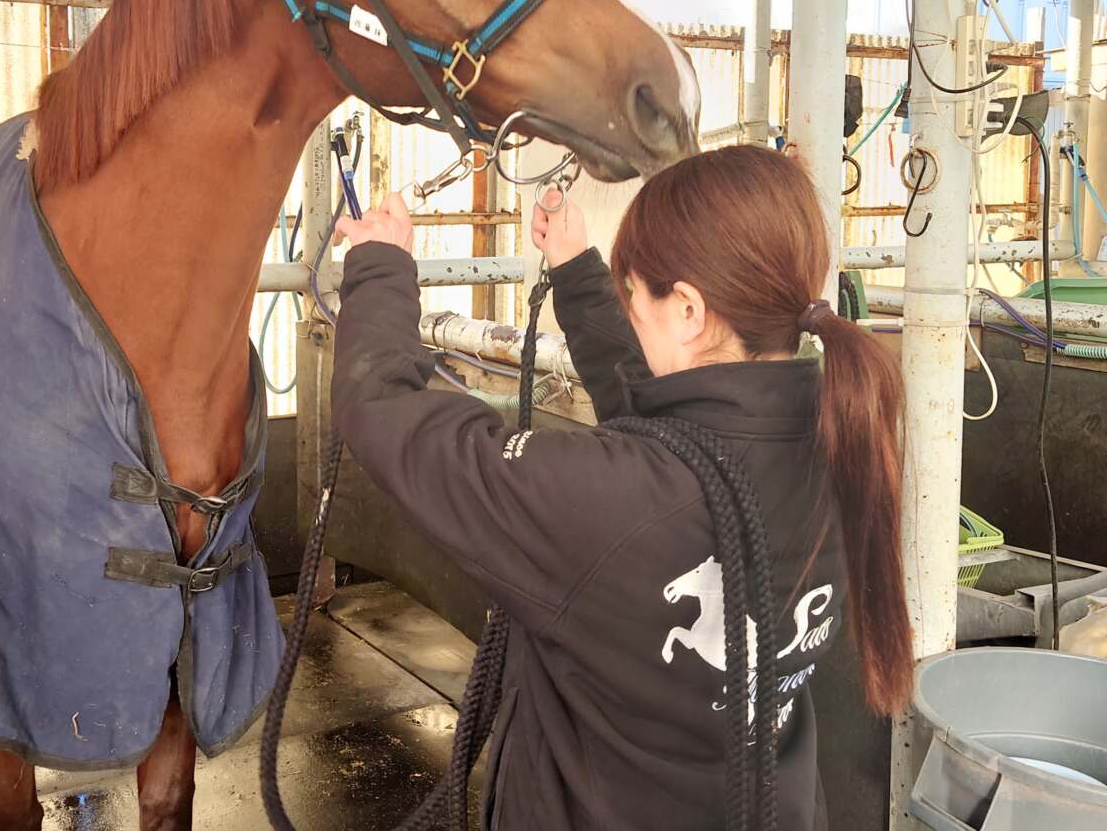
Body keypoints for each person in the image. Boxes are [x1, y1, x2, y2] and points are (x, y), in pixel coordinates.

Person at [329, 145, 912, 831]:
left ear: (690, 311)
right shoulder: (843, 447)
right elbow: (671, 415)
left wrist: (379, 267)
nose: (631, 311)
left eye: (635, 296)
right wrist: (580, 274)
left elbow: (384, 415)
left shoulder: (614, 503)